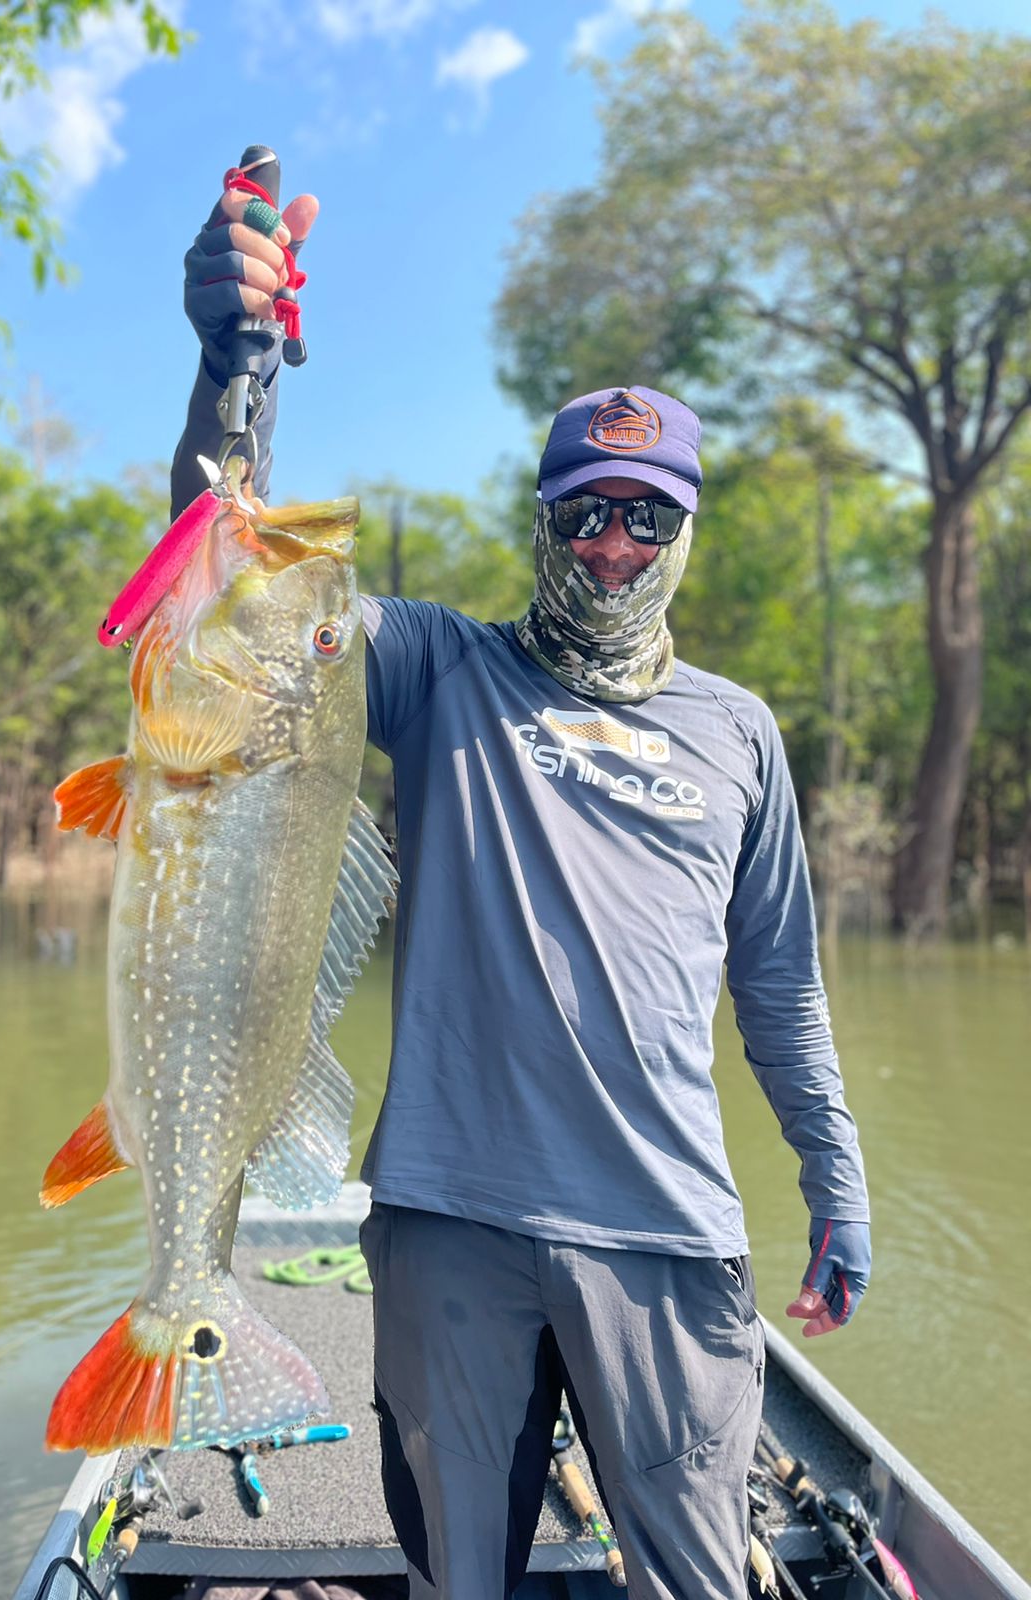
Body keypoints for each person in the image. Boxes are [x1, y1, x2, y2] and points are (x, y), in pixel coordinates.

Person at [172, 183, 872, 1600]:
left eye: (646, 516)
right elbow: (234, 602)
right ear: (544, 518)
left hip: (669, 1234)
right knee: (460, 1577)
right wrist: (229, 376)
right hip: (452, 1225)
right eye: (586, 512)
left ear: (683, 530)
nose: (613, 545)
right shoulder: (441, 669)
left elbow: (780, 985)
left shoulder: (740, 733)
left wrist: (835, 1175)